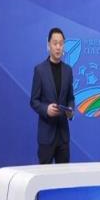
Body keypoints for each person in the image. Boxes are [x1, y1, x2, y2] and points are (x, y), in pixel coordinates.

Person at [30, 27, 75, 164]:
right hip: (46, 135)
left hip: (63, 136)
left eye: (61, 43)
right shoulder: (40, 70)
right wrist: (46, 109)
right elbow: (34, 101)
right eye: (55, 43)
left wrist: (70, 110)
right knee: (44, 174)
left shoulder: (68, 70)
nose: (58, 47)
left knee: (64, 175)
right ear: (48, 45)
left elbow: (70, 98)